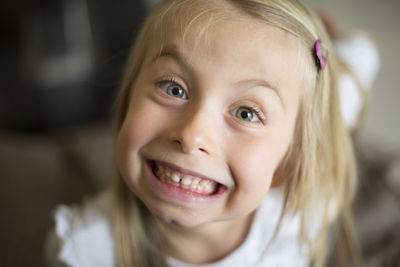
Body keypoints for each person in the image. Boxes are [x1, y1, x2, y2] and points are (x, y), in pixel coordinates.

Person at [45, 0, 366, 266]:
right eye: (173, 88)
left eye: (246, 113)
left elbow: (349, 93)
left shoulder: (307, 211)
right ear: (128, 97)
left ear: (289, 162)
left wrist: (357, 52)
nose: (192, 135)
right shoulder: (84, 251)